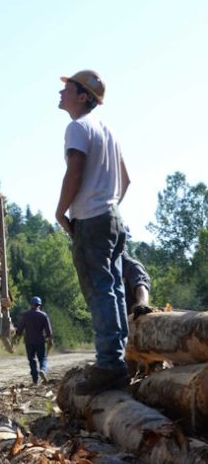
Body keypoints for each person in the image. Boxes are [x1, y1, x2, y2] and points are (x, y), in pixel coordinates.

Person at [55, 70, 131, 394]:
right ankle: (119, 361)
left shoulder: (78, 127)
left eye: (67, 88)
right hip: (113, 217)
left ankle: (109, 366)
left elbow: (75, 171)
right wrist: (107, 203)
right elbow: (126, 180)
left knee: (100, 291)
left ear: (83, 96)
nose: (61, 92)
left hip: (92, 220)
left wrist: (62, 211)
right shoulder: (107, 131)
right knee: (113, 289)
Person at [14, 296, 53, 385]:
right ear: (39, 305)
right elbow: (48, 330)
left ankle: (35, 380)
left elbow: (20, 328)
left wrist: (16, 336)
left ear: (31, 304)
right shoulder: (43, 315)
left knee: (32, 360)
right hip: (40, 341)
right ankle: (43, 370)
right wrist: (50, 339)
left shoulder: (25, 315)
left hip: (29, 341)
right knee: (42, 358)